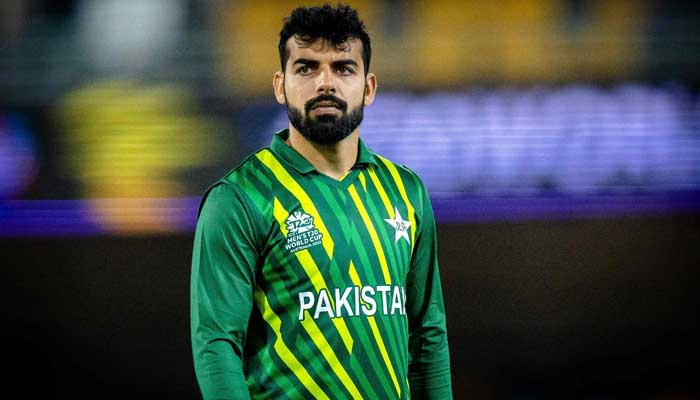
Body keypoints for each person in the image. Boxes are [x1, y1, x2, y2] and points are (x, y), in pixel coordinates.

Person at [190, 4, 452, 399]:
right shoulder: (239, 199)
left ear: (369, 86)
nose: (325, 83)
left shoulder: (406, 192)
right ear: (281, 86)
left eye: (343, 68)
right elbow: (216, 345)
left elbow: (428, 333)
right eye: (307, 68)